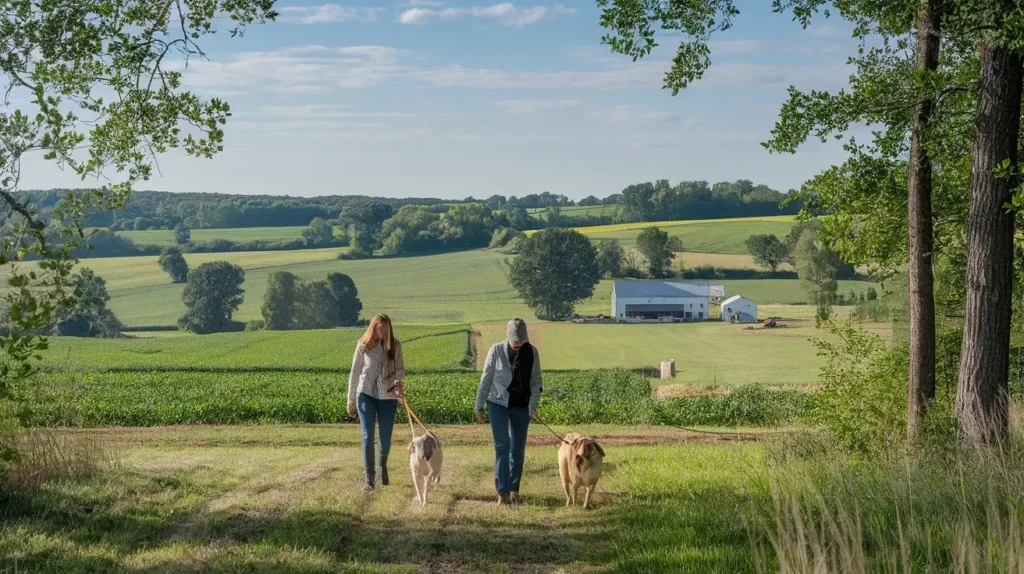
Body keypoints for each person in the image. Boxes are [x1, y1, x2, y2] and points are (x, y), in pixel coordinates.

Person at [475, 318, 543, 505]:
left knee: (517, 449)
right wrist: (479, 405)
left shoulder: (532, 353)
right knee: (502, 446)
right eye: (514, 343)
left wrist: (532, 407)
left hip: (521, 405)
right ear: (508, 337)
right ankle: (502, 491)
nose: (517, 346)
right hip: (497, 403)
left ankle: (514, 489)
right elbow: (486, 379)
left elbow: (536, 382)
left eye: (520, 343)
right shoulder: (496, 351)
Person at [348, 314, 404, 492]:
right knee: (367, 436)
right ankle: (369, 478)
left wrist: (398, 385)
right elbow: (355, 372)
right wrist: (350, 401)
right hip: (366, 395)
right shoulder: (363, 346)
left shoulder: (396, 346)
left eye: (387, 328)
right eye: (381, 328)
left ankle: (383, 465)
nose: (384, 332)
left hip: (388, 398)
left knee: (385, 439)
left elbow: (400, 369)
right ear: (374, 328)